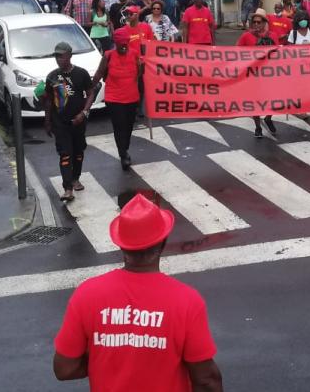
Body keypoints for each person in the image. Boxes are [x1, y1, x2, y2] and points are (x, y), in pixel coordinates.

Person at [53, 194, 224, 391]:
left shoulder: (87, 295)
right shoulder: (186, 302)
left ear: (121, 244)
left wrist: (104, 357)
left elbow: (64, 369)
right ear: (163, 241)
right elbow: (207, 380)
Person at [43, 42, 94, 202]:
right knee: (65, 154)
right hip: (60, 123)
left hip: (78, 122)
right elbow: (49, 100)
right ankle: (67, 188)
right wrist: (47, 120)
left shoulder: (81, 74)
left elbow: (90, 93)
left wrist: (84, 112)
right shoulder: (52, 76)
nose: (59, 59)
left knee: (78, 152)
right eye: (56, 56)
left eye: (62, 56)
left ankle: (75, 178)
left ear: (69, 56)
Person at [90, 29, 142, 170]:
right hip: (114, 98)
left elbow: (139, 73)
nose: (124, 47)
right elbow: (100, 74)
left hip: (131, 97)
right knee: (119, 127)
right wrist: (88, 89)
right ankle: (123, 154)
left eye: (126, 44)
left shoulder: (135, 54)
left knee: (129, 126)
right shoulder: (108, 56)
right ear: (116, 43)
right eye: (121, 45)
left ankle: (124, 148)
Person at [237, 9, 278, 139]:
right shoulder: (246, 36)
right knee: (255, 102)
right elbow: (235, 51)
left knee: (274, 100)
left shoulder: (273, 35)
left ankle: (268, 118)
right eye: (254, 22)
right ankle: (258, 127)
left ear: (264, 23)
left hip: (269, 75)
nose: (256, 25)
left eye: (259, 22)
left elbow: (278, 53)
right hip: (253, 75)